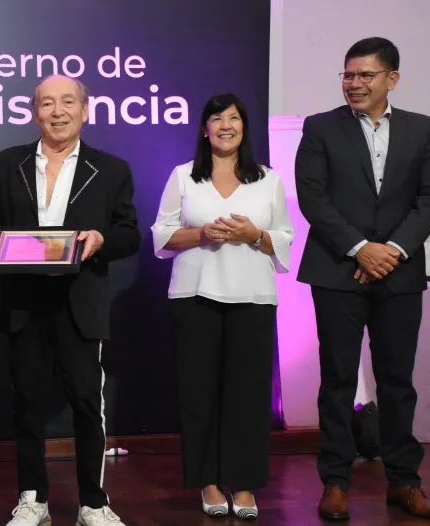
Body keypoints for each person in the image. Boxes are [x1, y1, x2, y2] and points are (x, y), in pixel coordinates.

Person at [0, 75, 140, 526]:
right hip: (24, 302)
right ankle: (33, 499)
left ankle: (93, 503)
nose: (58, 111)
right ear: (35, 113)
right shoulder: (6, 163)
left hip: (80, 303)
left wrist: (100, 239)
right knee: (27, 405)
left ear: (85, 110)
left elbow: (129, 235)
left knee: (88, 405)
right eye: (47, 103)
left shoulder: (112, 169)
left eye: (68, 102)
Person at [295, 36, 430, 521]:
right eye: (348, 74)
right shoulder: (320, 127)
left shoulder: (423, 130)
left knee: (397, 381)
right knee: (337, 379)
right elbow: (313, 197)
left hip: (399, 271)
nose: (353, 83)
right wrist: (361, 248)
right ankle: (336, 481)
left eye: (365, 75)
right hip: (338, 270)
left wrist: (391, 251)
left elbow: (429, 200)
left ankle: (404, 481)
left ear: (391, 79)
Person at [150, 93, 294, 520]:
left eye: (234, 118)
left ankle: (244, 484)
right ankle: (208, 482)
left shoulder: (268, 179)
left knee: (248, 395)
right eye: (217, 118)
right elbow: (161, 234)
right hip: (194, 297)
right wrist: (201, 235)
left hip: (253, 298)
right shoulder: (183, 176)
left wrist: (253, 235)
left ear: (244, 127)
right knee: (198, 393)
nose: (225, 125)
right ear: (204, 128)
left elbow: (283, 239)